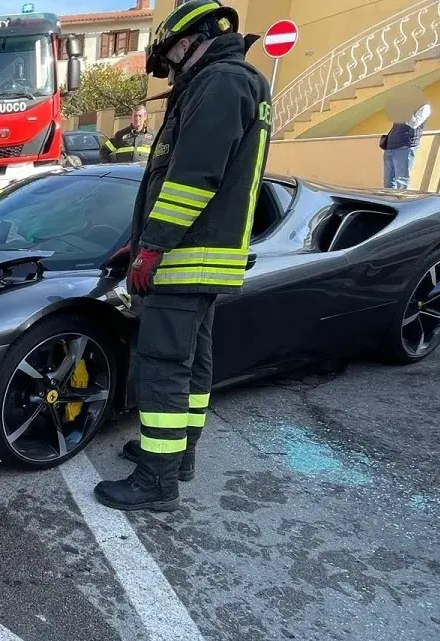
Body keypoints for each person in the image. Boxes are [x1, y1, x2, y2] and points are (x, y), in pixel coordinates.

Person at [94, 0, 272, 512]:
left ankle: (157, 481)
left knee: (162, 366)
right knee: (192, 364)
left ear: (191, 39)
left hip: (187, 256)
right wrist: (142, 238)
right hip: (206, 256)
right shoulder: (239, 82)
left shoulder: (219, 83)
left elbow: (192, 179)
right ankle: (178, 456)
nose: (169, 67)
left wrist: (154, 246)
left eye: (170, 55)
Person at [382, 101, 431, 190]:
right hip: (390, 146)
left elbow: (414, 124)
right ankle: (388, 202)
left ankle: (399, 203)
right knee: (388, 182)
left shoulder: (424, 107)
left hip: (405, 147)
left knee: (401, 181)